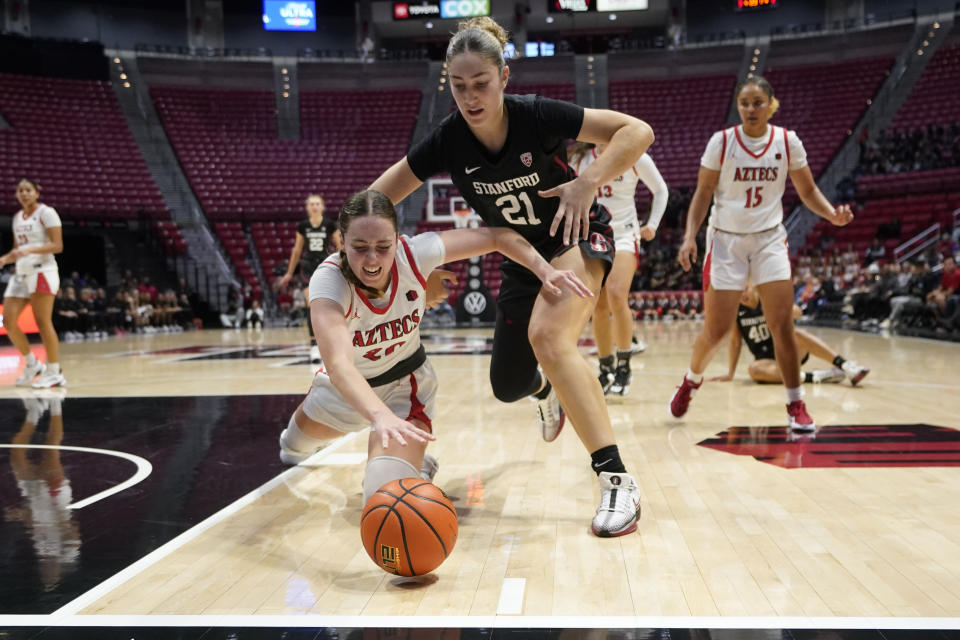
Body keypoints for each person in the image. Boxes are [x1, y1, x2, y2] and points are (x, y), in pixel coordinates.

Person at [369, 16, 655, 536]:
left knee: (549, 336)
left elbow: (638, 131)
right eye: (459, 86)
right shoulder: (448, 141)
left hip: (575, 234)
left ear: (504, 76)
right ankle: (545, 392)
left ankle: (616, 479)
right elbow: (374, 201)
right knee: (508, 385)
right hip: (523, 254)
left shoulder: (536, 115)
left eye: (481, 83)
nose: (471, 96)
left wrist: (587, 181)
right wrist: (405, 270)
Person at [277, 189, 593, 510]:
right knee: (291, 449)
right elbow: (339, 364)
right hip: (344, 391)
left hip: (404, 390)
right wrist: (378, 416)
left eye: (383, 247)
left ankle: (416, 468)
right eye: (359, 248)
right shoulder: (328, 281)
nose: (372, 259)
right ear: (341, 242)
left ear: (398, 240)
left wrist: (544, 269)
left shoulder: (416, 254)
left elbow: (498, 236)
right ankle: (408, 463)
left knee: (384, 501)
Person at [669, 76, 853, 432]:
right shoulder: (721, 143)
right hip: (726, 242)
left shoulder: (787, 141)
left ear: (771, 104)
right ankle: (691, 380)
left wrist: (831, 213)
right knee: (718, 330)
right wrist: (690, 236)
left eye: (757, 102)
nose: (750, 109)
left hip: (769, 239)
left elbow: (808, 189)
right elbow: (703, 193)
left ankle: (795, 404)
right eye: (744, 103)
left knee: (781, 325)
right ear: (738, 106)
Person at [569, 142, 668, 396]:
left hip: (625, 235)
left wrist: (653, 224)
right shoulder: (580, 159)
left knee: (615, 294)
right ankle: (606, 369)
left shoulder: (634, 155)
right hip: (592, 237)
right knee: (597, 305)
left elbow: (660, 190)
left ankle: (624, 365)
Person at [711, 285, 869, 386]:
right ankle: (817, 376)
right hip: (767, 361)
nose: (742, 295)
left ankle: (846, 366)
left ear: (753, 285)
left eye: (744, 289)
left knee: (796, 333)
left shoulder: (768, 298)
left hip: (789, 351)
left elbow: (798, 313)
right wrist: (730, 373)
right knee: (754, 370)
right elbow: (735, 342)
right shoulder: (735, 311)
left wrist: (776, 309)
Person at [0, 179, 67, 388]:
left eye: (28, 190)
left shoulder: (47, 212)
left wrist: (30, 250)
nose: (24, 194)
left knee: (42, 322)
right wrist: (4, 259)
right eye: (20, 191)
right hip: (21, 272)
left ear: (37, 193)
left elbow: (57, 245)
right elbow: (17, 250)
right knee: (8, 322)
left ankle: (54, 371)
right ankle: (32, 364)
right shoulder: (17, 217)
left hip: (42, 271)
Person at [278, 194, 342, 364]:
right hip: (308, 267)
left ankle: (332, 343)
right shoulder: (303, 226)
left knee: (330, 305)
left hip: (325, 264)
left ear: (322, 206)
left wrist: (345, 264)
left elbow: (340, 246)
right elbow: (297, 250)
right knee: (311, 304)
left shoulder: (329, 224)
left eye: (317, 204)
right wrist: (289, 273)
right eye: (311, 204)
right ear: (307, 207)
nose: (314, 206)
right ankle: (314, 346)